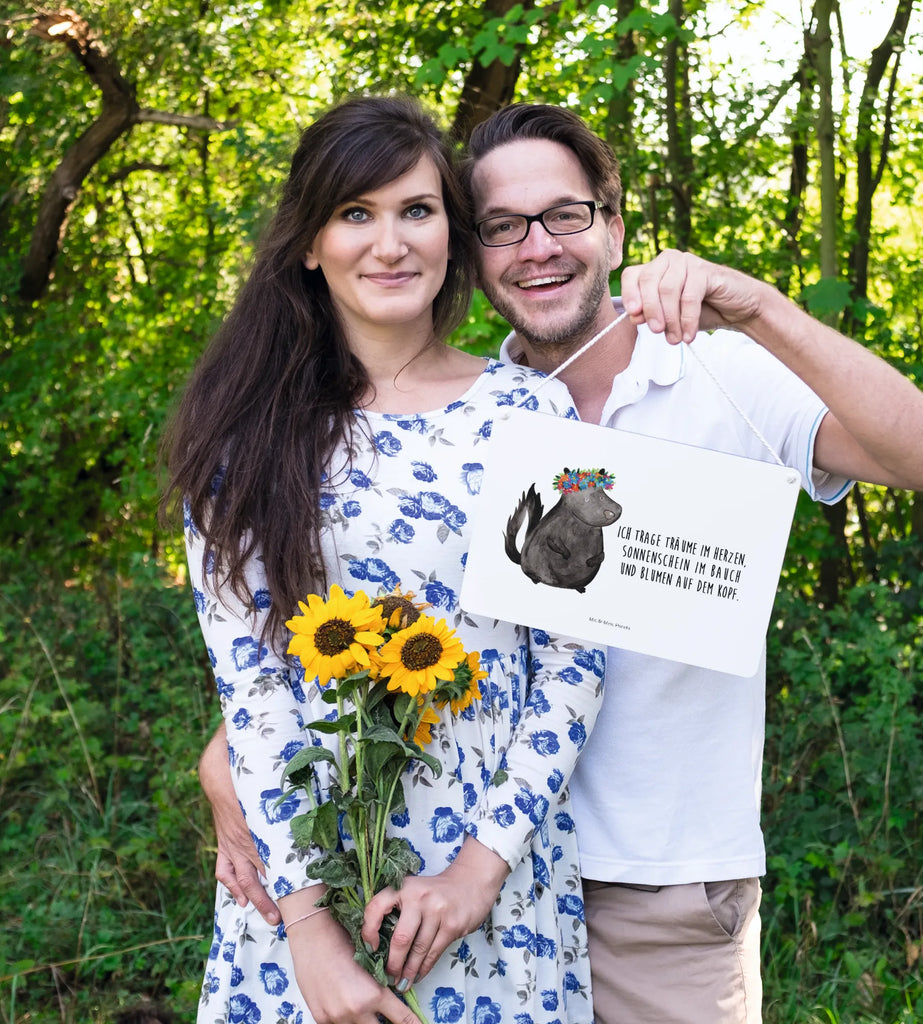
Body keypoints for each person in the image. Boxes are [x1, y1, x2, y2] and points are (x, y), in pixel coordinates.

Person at [201, 102, 923, 1024]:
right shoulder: (460, 416)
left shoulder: (709, 374)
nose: (537, 247)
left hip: (648, 888)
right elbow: (333, 633)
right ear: (475, 250)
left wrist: (759, 306)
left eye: (564, 215)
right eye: (502, 227)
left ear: (612, 225)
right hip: (416, 875)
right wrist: (234, 769)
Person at [164, 96, 611, 1024]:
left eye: (417, 210)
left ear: (452, 230)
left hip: (492, 886)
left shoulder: (534, 415)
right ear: (308, 243)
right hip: (304, 883)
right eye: (355, 214)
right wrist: (312, 937)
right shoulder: (242, 439)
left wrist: (479, 872)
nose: (391, 243)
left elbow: (575, 660)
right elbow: (252, 692)